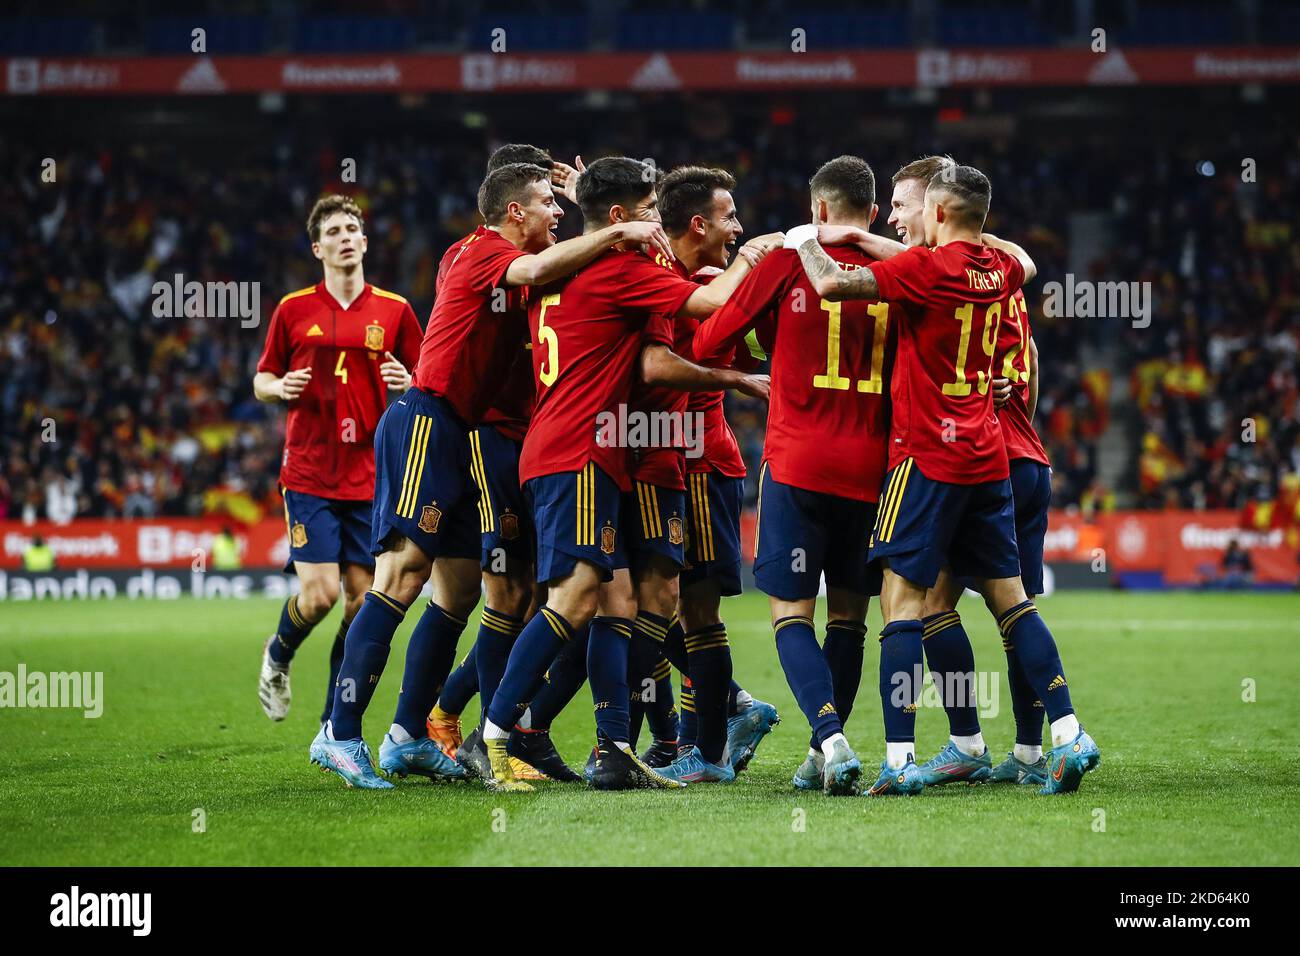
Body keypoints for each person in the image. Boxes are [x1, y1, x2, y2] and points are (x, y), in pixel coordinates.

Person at [309, 162, 676, 789]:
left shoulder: (529, 263)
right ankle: (339, 733)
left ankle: (407, 735)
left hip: (467, 433)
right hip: (430, 417)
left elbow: (558, 266)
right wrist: (619, 233)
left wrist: (588, 201)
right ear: (512, 212)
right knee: (398, 578)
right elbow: (536, 268)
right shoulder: (482, 251)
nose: (555, 215)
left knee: (454, 593)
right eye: (544, 203)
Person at [790, 164, 1101, 796]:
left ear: (934, 215)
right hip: (989, 453)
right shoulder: (1003, 269)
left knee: (903, 606)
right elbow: (1023, 262)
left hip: (925, 457)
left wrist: (802, 239)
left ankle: (901, 761)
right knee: (1013, 601)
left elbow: (828, 286)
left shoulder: (923, 270)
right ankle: (1069, 734)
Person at [479, 156, 771, 792]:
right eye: (646, 211)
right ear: (619, 219)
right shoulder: (618, 271)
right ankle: (497, 732)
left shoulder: (561, 268)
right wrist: (762, 253)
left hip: (572, 445)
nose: (655, 223)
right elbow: (711, 301)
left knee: (612, 600)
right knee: (576, 596)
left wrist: (585, 200)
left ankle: (612, 745)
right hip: (582, 448)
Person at [694, 156, 891, 795]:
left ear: (818, 211)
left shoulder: (784, 261)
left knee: (791, 616)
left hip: (799, 462)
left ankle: (830, 739)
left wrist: (768, 342)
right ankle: (819, 751)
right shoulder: (901, 268)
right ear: (875, 212)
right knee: (851, 620)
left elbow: (708, 345)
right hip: (874, 468)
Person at [254, 194, 422, 725]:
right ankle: (278, 655)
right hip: (308, 472)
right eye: (334, 231)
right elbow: (261, 379)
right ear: (317, 247)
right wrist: (279, 385)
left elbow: (431, 380)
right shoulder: (292, 309)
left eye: (353, 228)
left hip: (372, 478)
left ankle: (333, 721)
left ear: (365, 243)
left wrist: (410, 382)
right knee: (322, 594)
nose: (345, 236)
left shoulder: (394, 310)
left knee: (360, 601)